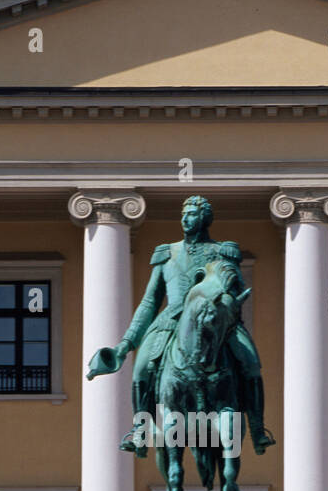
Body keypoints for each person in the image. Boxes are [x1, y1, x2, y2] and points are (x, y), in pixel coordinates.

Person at [101, 196, 275, 457]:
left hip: (217, 323)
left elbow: (235, 290)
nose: (185, 219)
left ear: (204, 219)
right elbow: (150, 301)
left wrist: (221, 306)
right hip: (170, 322)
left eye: (192, 214)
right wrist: (125, 344)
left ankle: (258, 429)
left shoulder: (222, 251)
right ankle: (140, 430)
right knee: (139, 371)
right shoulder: (166, 254)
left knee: (250, 364)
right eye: (183, 213)